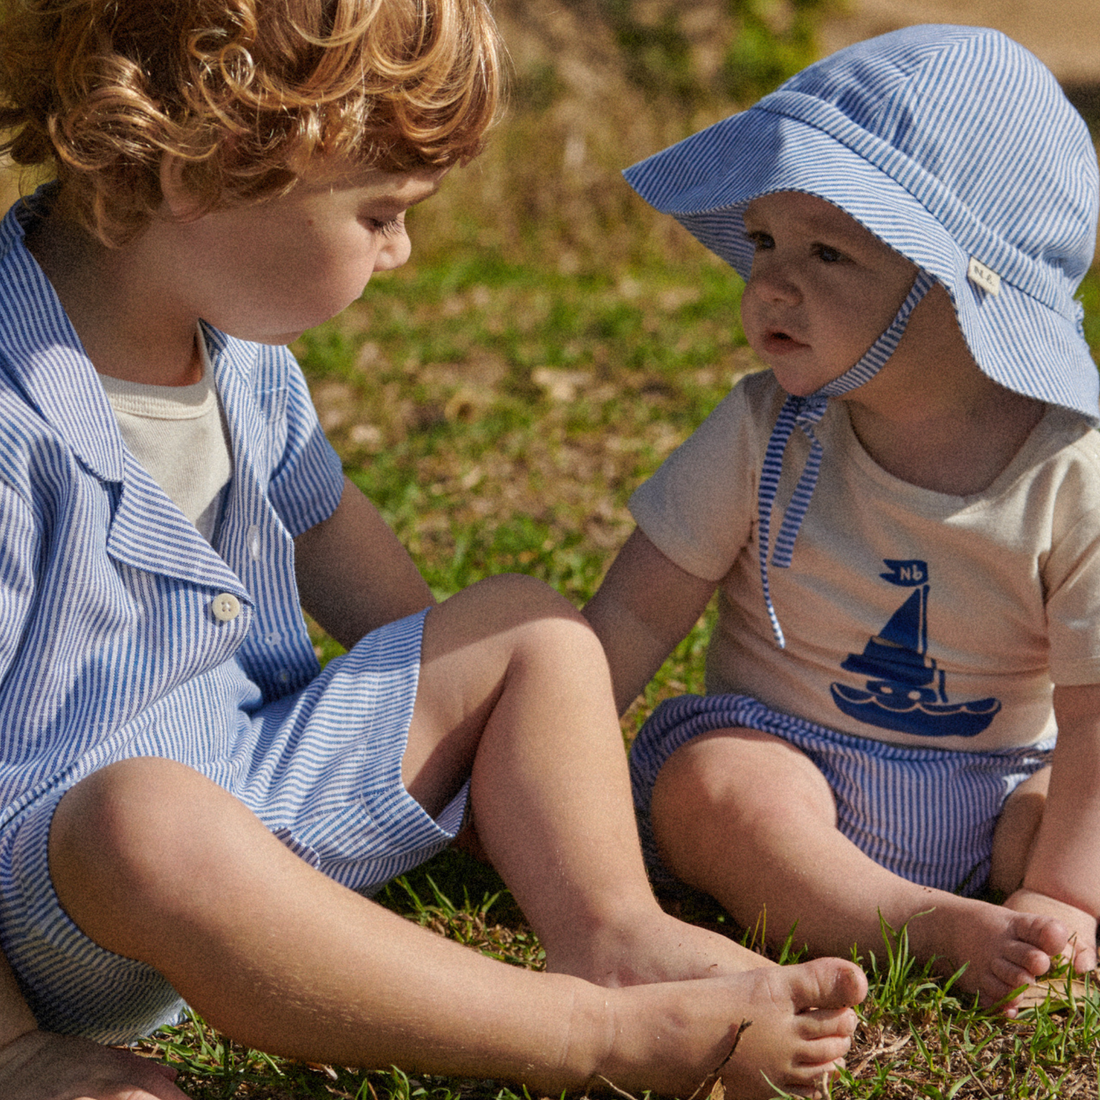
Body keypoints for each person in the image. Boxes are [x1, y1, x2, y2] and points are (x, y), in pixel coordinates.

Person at [0, 0, 871, 1097]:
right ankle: (579, 1035)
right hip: (74, 883)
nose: (401, 250)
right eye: (379, 212)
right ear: (204, 171)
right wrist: (17, 1048)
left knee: (531, 631)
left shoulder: (237, 340)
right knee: (146, 816)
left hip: (255, 783)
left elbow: (322, 523)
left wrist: (467, 720)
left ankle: (614, 932)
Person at [584, 23, 1100, 1015]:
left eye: (828, 252)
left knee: (1066, 812)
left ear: (961, 291)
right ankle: (909, 920)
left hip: (1000, 778)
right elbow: (637, 614)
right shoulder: (761, 432)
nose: (769, 282)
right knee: (710, 790)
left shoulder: (1068, 473)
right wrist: (537, 759)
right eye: (765, 240)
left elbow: (1088, 712)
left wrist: (1062, 887)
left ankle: (1026, 910)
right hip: (789, 752)